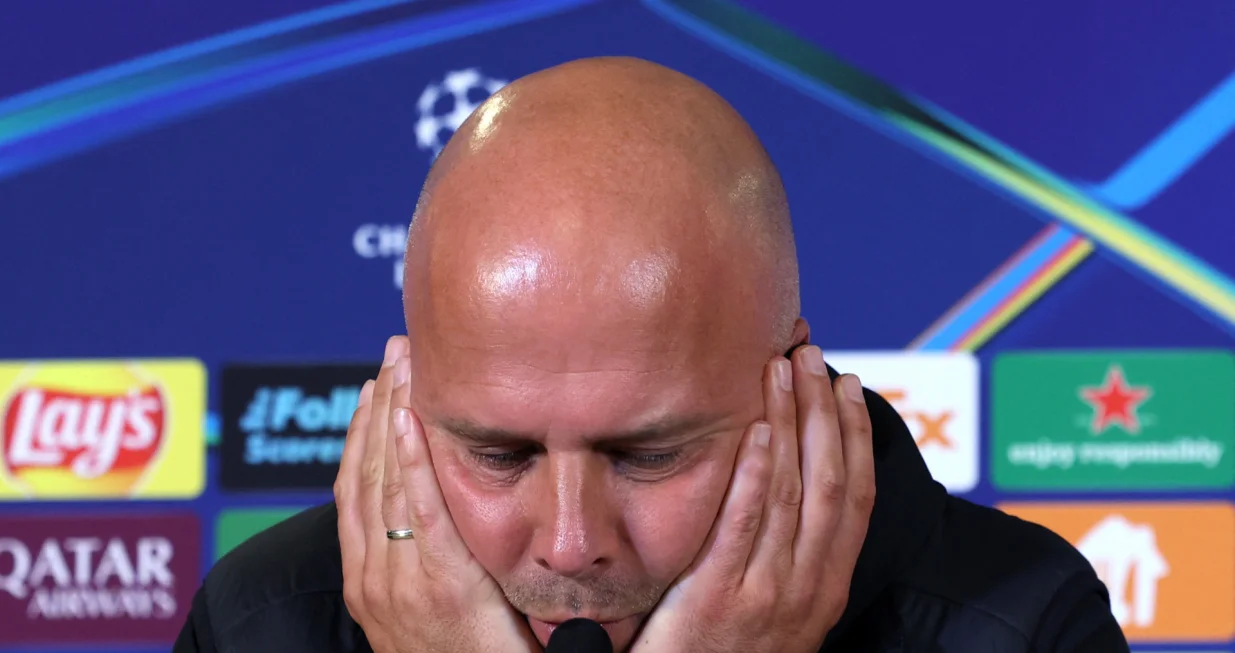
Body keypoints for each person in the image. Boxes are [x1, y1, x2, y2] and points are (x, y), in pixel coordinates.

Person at [173, 57, 1129, 652]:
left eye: (649, 453)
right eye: (496, 454)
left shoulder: (1017, 623)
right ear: (405, 401)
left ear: (792, 386)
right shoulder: (263, 620)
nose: (568, 539)